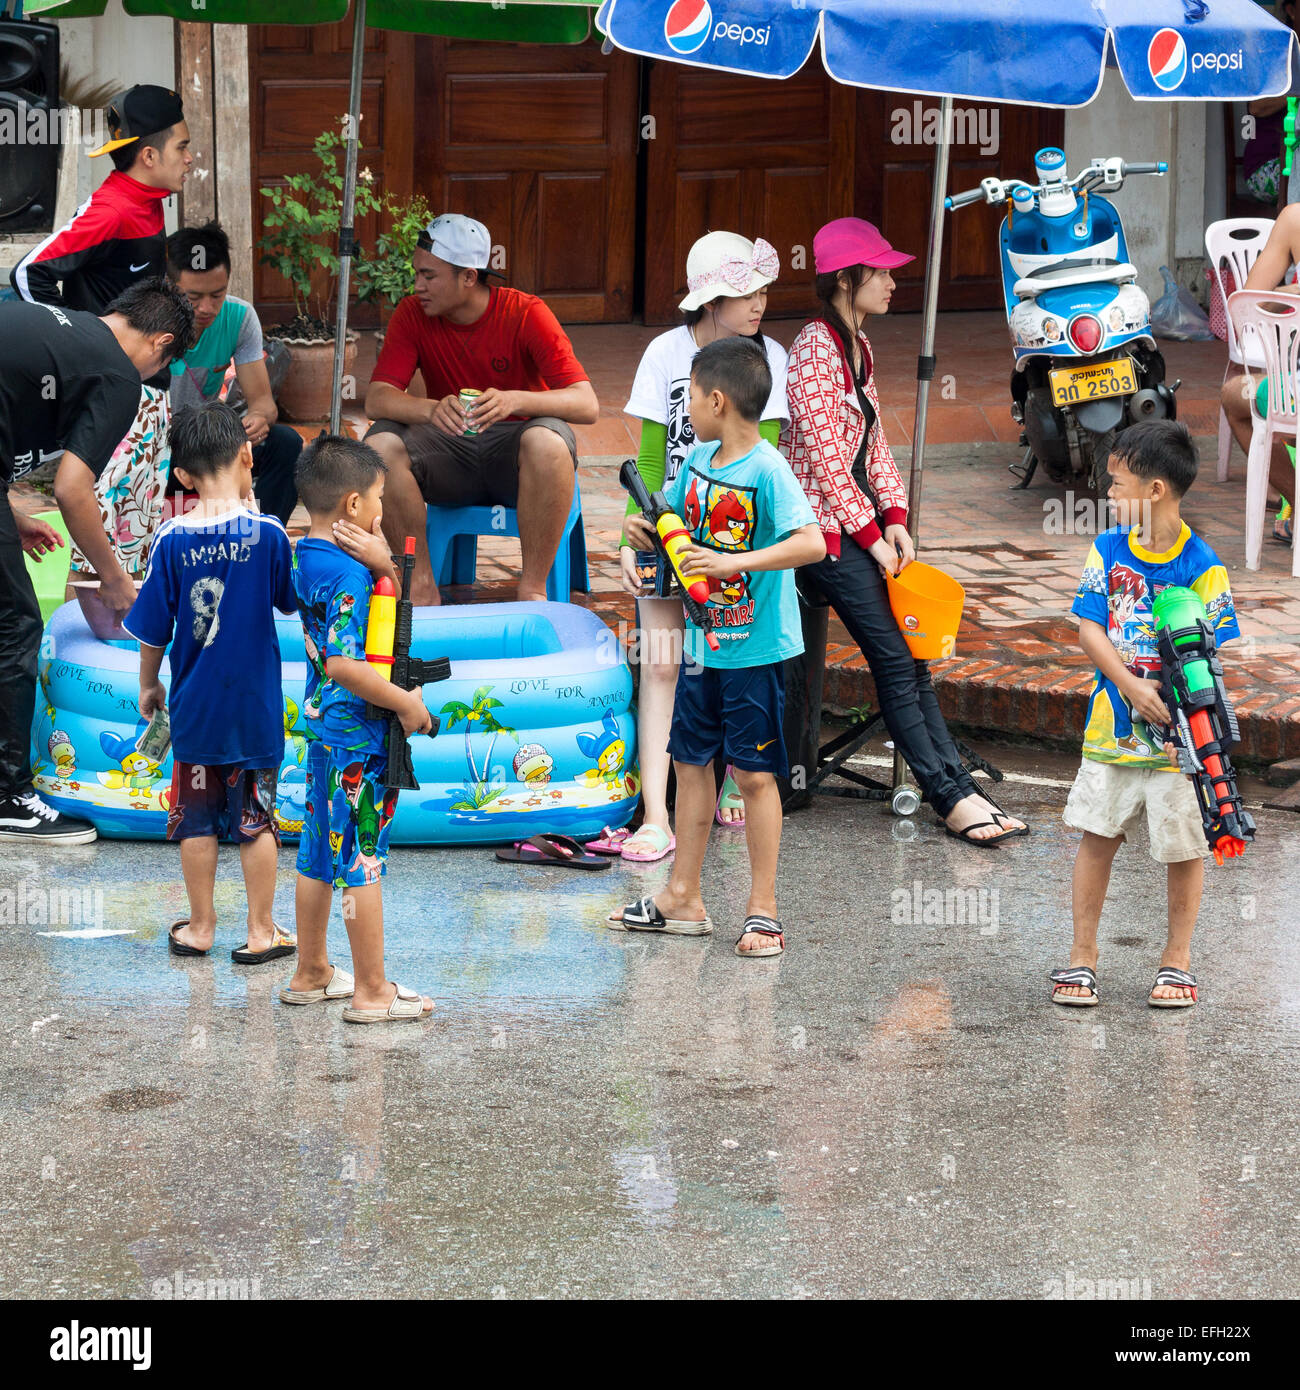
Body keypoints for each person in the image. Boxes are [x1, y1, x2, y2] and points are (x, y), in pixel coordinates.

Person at [783, 217, 1028, 845]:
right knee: (894, 659)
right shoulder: (814, 347)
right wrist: (871, 535)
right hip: (822, 537)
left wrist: (896, 520)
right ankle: (950, 798)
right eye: (882, 271)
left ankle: (959, 785)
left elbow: (872, 450)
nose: (894, 282)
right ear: (846, 279)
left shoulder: (857, 346)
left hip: (857, 527)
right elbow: (826, 459)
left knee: (914, 660)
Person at [608, 338, 825, 958]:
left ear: (719, 400)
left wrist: (738, 562)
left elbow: (810, 544)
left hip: (753, 652)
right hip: (703, 649)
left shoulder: (767, 469)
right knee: (689, 763)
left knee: (755, 776)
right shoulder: (699, 460)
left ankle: (762, 910)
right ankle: (683, 895)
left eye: (693, 397)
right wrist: (638, 527)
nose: (689, 409)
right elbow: (669, 515)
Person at [602, 231, 789, 862]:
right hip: (668, 525)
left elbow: (767, 458)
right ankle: (658, 814)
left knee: (729, 659)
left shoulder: (772, 358)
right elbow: (651, 457)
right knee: (659, 662)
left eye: (762, 289)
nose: (759, 302)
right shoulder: (664, 353)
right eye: (744, 292)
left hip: (736, 541)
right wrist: (635, 527)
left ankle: (735, 774)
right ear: (709, 302)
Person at [1051, 421, 1239, 1009]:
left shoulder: (1203, 564)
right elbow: (1089, 629)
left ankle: (1176, 961)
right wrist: (1132, 686)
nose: (1108, 494)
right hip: (1113, 727)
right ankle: (1082, 958)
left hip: (1182, 741)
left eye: (1117, 483)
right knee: (1097, 834)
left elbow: (1209, 657)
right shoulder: (1107, 550)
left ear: (1155, 490)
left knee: (1185, 845)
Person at [0, 279, 193, 844]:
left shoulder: (65, 329)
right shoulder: (116, 375)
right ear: (160, 343)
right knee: (16, 623)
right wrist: (116, 580)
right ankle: (9, 795)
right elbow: (73, 490)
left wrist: (9, 518)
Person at [124, 403, 299, 960]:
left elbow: (153, 627)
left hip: (195, 707)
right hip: (255, 712)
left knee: (195, 821)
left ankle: (200, 928)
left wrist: (150, 683)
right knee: (258, 821)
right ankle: (260, 931)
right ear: (248, 455)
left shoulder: (172, 539)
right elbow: (290, 602)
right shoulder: (269, 534)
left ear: (181, 476)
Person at [363, 213, 598, 605]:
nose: (418, 285)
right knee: (379, 447)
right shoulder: (412, 313)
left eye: (429, 276)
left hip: (517, 464)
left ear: (469, 277)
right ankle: (420, 585)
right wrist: (431, 409)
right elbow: (377, 398)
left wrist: (515, 399)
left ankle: (533, 591)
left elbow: (586, 403)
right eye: (417, 274)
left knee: (548, 440)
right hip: (449, 456)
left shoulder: (526, 312)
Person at [283, 434, 436, 1023]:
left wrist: (386, 566)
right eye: (376, 496)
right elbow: (348, 665)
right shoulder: (348, 575)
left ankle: (312, 970)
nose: (380, 509)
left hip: (322, 734)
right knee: (363, 859)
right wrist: (404, 704)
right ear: (351, 505)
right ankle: (373, 989)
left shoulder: (306, 558)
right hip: (360, 740)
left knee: (319, 851)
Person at [12, 85, 193, 581]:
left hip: (145, 394)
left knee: (131, 543)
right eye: (183, 147)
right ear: (150, 155)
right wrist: (75, 343)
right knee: (98, 548)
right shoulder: (112, 209)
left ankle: (116, 650)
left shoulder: (149, 200)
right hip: (112, 395)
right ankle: (72, 655)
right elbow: (30, 273)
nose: (190, 158)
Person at [164, 222, 302, 526]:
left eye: (217, 294)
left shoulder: (240, 317)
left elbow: (264, 403)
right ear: (170, 286)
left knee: (286, 443)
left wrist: (258, 420)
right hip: (155, 449)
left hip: (206, 445)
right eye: (193, 297)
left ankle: (261, 535)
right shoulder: (149, 319)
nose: (207, 308)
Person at [1218, 202, 1300, 542]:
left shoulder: (1295, 219)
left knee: (1238, 395)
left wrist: (1285, 294)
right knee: (1237, 394)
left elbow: (1250, 305)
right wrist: (1289, 294)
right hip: (1293, 390)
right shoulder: (1294, 220)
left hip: (1292, 395)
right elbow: (1250, 304)